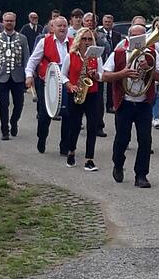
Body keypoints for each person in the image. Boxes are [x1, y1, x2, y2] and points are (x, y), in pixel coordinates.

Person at [102, 24, 159, 188]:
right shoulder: (119, 52)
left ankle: (141, 175)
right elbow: (104, 76)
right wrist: (122, 74)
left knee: (145, 140)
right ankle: (118, 163)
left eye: (142, 36)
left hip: (143, 102)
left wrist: (149, 69)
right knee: (122, 139)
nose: (138, 40)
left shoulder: (152, 54)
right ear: (128, 37)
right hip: (125, 102)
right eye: (135, 37)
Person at [25, 16, 72, 154]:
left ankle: (65, 146)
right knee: (45, 115)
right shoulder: (44, 42)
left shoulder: (74, 43)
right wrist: (29, 75)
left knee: (68, 115)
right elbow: (33, 61)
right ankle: (42, 137)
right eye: (59, 26)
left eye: (64, 26)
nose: (62, 28)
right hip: (47, 82)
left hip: (67, 83)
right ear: (53, 28)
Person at [61, 27, 104, 171]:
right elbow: (62, 74)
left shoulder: (96, 56)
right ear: (79, 41)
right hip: (76, 93)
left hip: (92, 93)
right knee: (75, 125)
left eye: (89, 39)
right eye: (84, 39)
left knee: (92, 126)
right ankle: (71, 151)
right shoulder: (71, 55)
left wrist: (95, 75)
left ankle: (89, 159)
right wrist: (70, 85)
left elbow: (102, 75)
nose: (86, 42)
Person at [0, 12, 30, 140]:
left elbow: (26, 58)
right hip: (2, 77)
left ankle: (14, 121)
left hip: (18, 77)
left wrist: (28, 75)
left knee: (19, 104)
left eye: (11, 21)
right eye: (7, 21)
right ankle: (5, 130)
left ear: (15, 22)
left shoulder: (22, 38)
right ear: (3, 22)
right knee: (4, 104)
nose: (9, 23)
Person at [98, 14, 122, 114]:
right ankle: (99, 107)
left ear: (112, 23)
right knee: (100, 86)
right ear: (103, 23)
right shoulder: (97, 33)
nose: (107, 24)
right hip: (101, 60)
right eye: (106, 22)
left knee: (111, 85)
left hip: (112, 62)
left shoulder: (117, 35)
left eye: (109, 22)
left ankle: (110, 105)